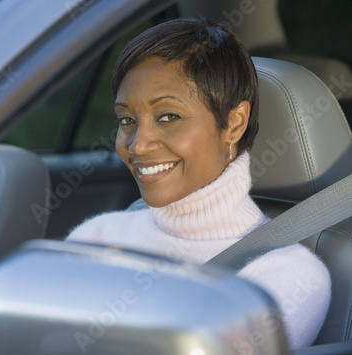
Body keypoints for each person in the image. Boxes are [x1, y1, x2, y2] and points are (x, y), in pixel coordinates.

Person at [65, 18, 330, 349]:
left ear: (235, 123)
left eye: (168, 117)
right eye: (127, 120)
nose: (138, 144)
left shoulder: (289, 275)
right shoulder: (96, 237)